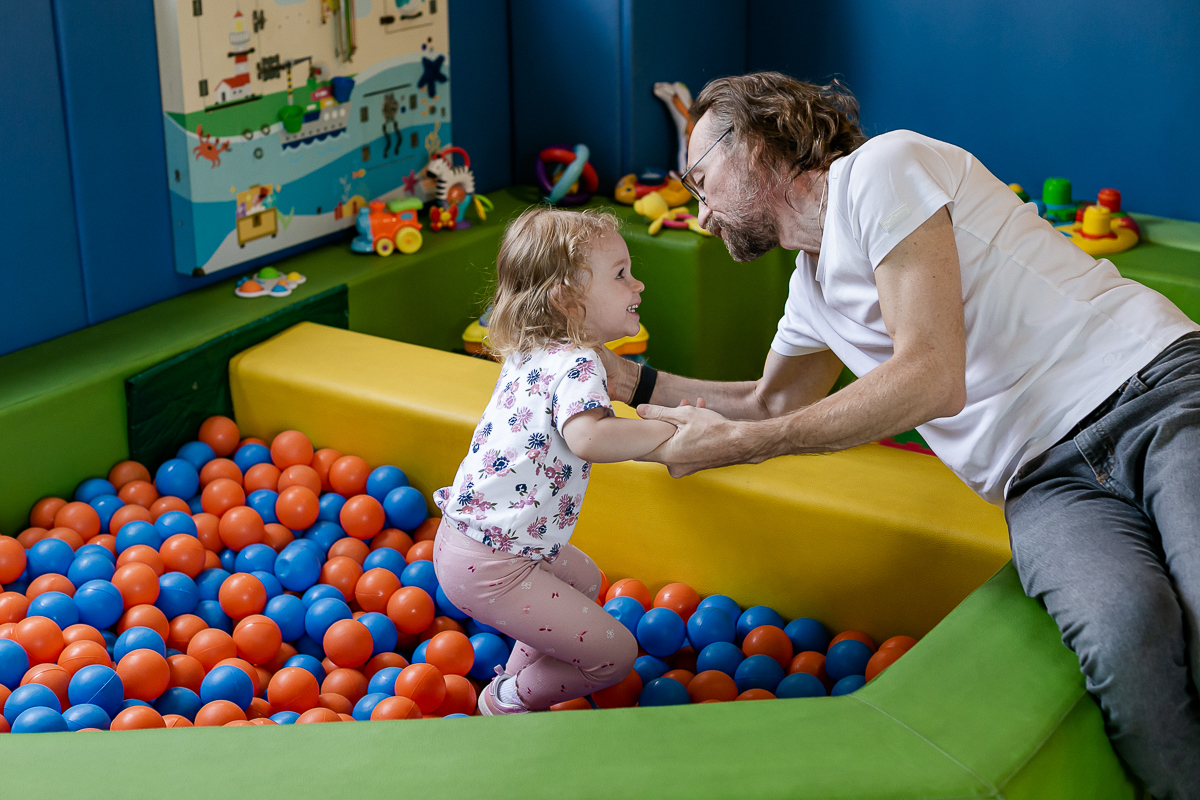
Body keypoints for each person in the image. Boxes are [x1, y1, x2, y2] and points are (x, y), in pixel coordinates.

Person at [597, 72, 1200, 798]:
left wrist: (735, 445)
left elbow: (930, 375)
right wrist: (630, 384)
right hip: (1043, 481)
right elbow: (768, 401)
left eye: (701, 181)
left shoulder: (882, 171)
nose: (701, 215)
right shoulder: (809, 290)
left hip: (1152, 389)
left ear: (757, 142)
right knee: (1122, 632)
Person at [432, 207, 676, 715]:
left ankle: (518, 677)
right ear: (566, 298)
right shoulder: (577, 359)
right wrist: (669, 433)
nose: (640, 284)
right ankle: (506, 702)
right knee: (614, 656)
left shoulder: (534, 348)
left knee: (586, 582)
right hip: (494, 564)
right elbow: (588, 437)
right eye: (621, 274)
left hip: (471, 544)